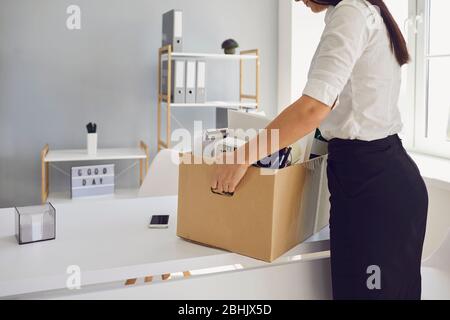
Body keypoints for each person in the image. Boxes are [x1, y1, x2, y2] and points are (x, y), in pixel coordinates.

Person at [210, 0, 428, 300]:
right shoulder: (359, 11)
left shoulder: (352, 12)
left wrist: (243, 156)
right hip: (371, 178)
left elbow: (313, 107)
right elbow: (333, 110)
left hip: (376, 189)